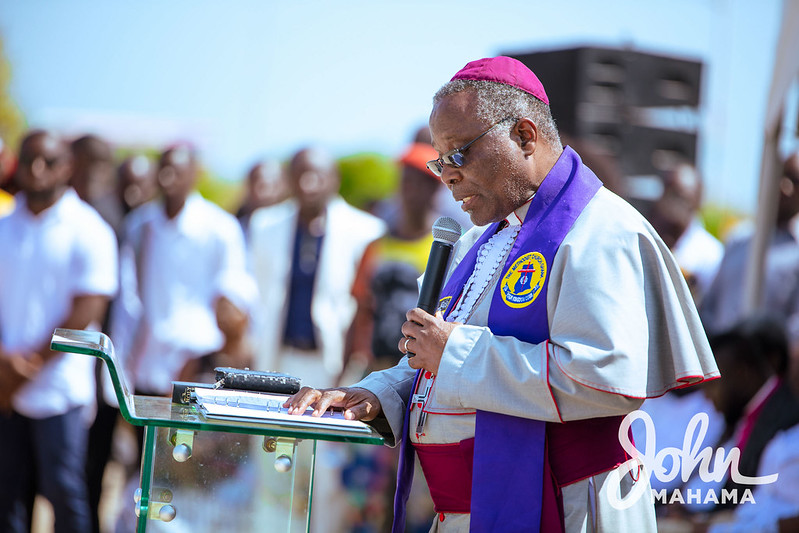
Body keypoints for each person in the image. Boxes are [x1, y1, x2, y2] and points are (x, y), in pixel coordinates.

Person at [285, 56, 719, 532]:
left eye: (458, 153)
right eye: (439, 160)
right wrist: (376, 393)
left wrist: (456, 352)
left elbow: (605, 378)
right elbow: (437, 362)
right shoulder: (481, 240)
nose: (447, 176)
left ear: (524, 136)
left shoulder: (600, 231)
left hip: (567, 505)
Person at [0, 130, 118, 532]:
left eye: (48, 161)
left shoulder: (89, 228)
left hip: (58, 388)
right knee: (6, 497)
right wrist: (5, 364)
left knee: (64, 494)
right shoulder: (4, 224)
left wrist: (26, 366)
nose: (37, 169)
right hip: (4, 384)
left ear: (67, 167)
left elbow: (88, 307)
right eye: (29, 159)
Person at [111, 143, 252, 398]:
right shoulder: (140, 225)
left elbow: (233, 296)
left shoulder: (220, 227)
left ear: (194, 174)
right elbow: (128, 298)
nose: (168, 178)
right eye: (164, 170)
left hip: (198, 363)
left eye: (177, 171)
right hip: (148, 360)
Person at [647, 161, 723, 305]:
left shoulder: (711, 253)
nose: (674, 203)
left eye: (682, 197)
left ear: (697, 201)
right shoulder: (650, 236)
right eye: (670, 194)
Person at [236, 159, 289, 237]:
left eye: (265, 186)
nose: (261, 193)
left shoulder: (294, 226)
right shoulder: (234, 228)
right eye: (259, 186)